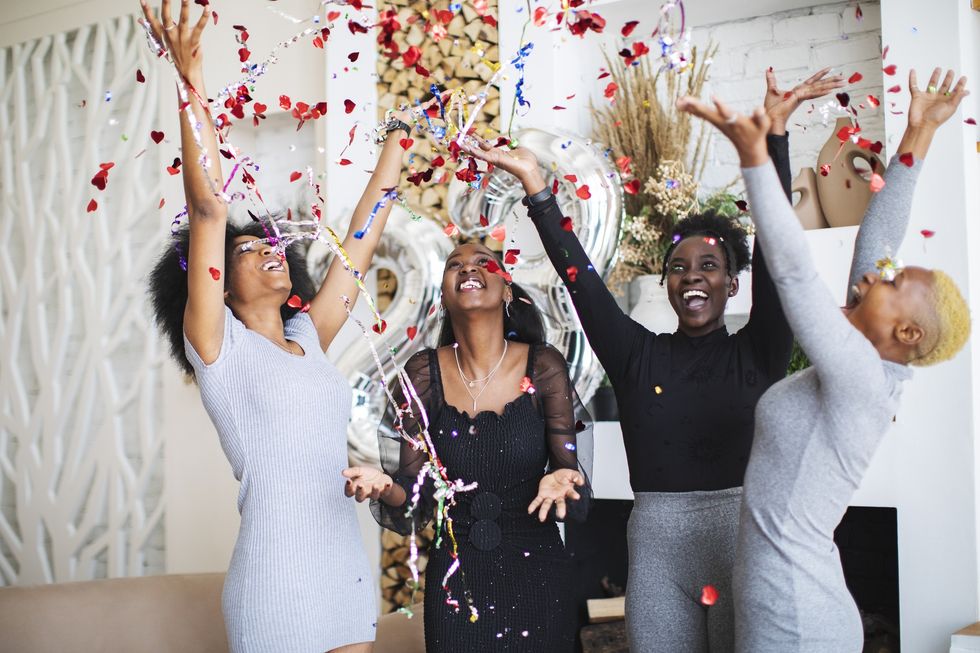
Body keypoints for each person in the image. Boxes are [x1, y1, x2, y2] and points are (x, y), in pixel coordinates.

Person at [460, 69, 843, 652]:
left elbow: (779, 257)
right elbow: (582, 282)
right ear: (666, 284)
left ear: (732, 284)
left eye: (709, 266)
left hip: (743, 544)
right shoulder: (638, 357)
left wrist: (775, 138)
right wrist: (536, 186)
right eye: (679, 268)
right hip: (658, 552)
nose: (693, 277)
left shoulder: (759, 349)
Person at [141, 1, 421, 651]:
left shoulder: (306, 338)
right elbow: (208, 208)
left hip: (343, 565)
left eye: (269, 244)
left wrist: (398, 141)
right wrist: (190, 80)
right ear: (216, 284)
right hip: (274, 577)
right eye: (246, 250)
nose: (268, 249)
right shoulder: (218, 346)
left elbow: (360, 240)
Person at [677, 67, 970, 652]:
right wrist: (919, 131)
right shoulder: (869, 363)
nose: (876, 275)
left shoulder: (861, 376)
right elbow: (877, 239)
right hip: (789, 603)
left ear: (907, 331)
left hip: (794, 618)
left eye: (892, 283)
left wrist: (755, 158)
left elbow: (793, 273)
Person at [343, 242, 592, 652]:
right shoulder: (422, 374)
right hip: (457, 584)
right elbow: (416, 500)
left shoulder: (544, 366)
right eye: (454, 264)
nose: (467, 268)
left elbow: (570, 477)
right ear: (443, 295)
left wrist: (564, 478)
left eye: (482, 262)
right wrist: (386, 486)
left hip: (539, 577)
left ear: (507, 289)